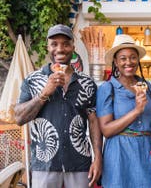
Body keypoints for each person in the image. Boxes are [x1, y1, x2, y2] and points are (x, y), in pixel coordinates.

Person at [14, 24, 102, 188]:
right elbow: (19, 118)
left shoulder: (87, 83)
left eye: (65, 44)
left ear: (73, 47)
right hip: (45, 163)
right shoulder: (33, 80)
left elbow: (93, 121)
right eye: (54, 44)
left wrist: (98, 158)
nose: (60, 49)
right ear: (48, 47)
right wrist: (44, 93)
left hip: (79, 162)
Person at [96, 34, 151, 187]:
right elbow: (106, 130)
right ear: (115, 62)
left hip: (146, 153)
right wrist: (136, 110)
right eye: (123, 58)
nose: (129, 62)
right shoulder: (108, 88)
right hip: (119, 155)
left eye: (133, 57)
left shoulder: (146, 86)